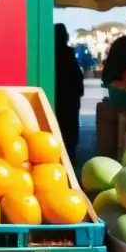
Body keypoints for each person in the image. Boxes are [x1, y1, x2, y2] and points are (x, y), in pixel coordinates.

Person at [53, 23, 84, 158]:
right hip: (69, 100)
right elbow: (77, 78)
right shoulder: (68, 54)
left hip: (58, 99)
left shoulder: (49, 54)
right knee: (70, 137)